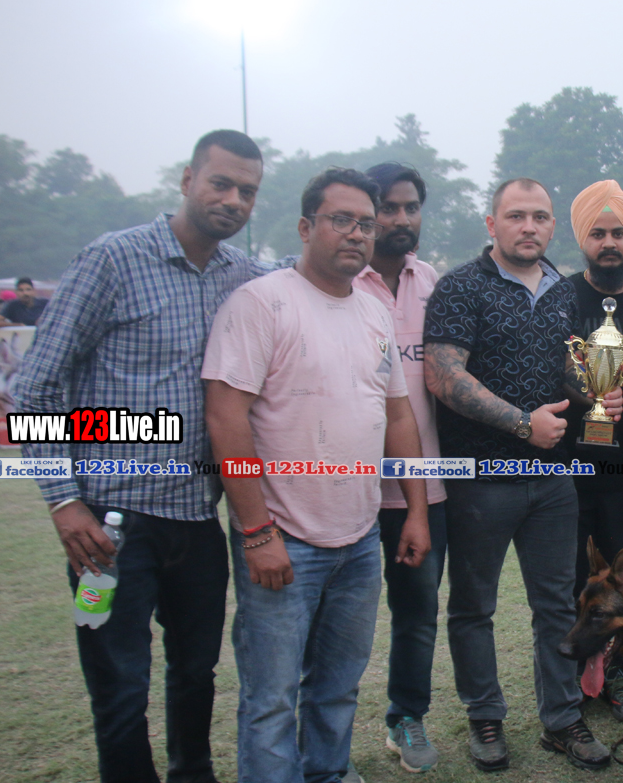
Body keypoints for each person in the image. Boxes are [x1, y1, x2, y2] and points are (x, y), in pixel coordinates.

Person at [11, 130, 267, 783]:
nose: (233, 200)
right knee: (119, 681)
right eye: (221, 183)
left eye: (247, 191)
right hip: (109, 524)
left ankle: (193, 773)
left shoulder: (244, 278)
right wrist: (64, 502)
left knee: (197, 673)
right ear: (187, 180)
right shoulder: (112, 259)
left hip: (196, 521)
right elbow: (36, 386)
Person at [203, 167, 431, 783]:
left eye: (366, 223)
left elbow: (398, 415)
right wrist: (257, 532)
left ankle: (328, 773)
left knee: (337, 686)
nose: (357, 233)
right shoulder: (261, 303)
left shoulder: (373, 313)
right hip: (284, 538)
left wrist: (414, 510)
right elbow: (226, 417)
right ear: (306, 227)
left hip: (358, 539)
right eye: (341, 220)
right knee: (271, 699)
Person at [423, 178, 620, 772]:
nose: (528, 226)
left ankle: (562, 719)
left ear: (553, 226)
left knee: (557, 606)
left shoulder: (561, 288)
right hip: (481, 478)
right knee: (473, 607)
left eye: (539, 216)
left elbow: (562, 364)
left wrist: (594, 393)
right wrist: (521, 425)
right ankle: (485, 716)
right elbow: (444, 376)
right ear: (492, 224)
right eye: (515, 216)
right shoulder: (460, 286)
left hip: (552, 481)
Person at [352, 162, 447, 772]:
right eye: (388, 207)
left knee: (417, 616)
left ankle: (405, 718)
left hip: (425, 490)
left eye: (411, 207)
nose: (401, 218)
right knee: (342, 624)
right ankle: (323, 739)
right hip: (350, 491)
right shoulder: (340, 280)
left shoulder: (431, 281)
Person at [563, 179, 623, 723]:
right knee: (570, 580)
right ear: (582, 238)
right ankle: (574, 680)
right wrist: (591, 398)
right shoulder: (558, 296)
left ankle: (617, 675)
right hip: (567, 469)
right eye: (597, 233)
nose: (608, 242)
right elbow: (547, 371)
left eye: (618, 232)